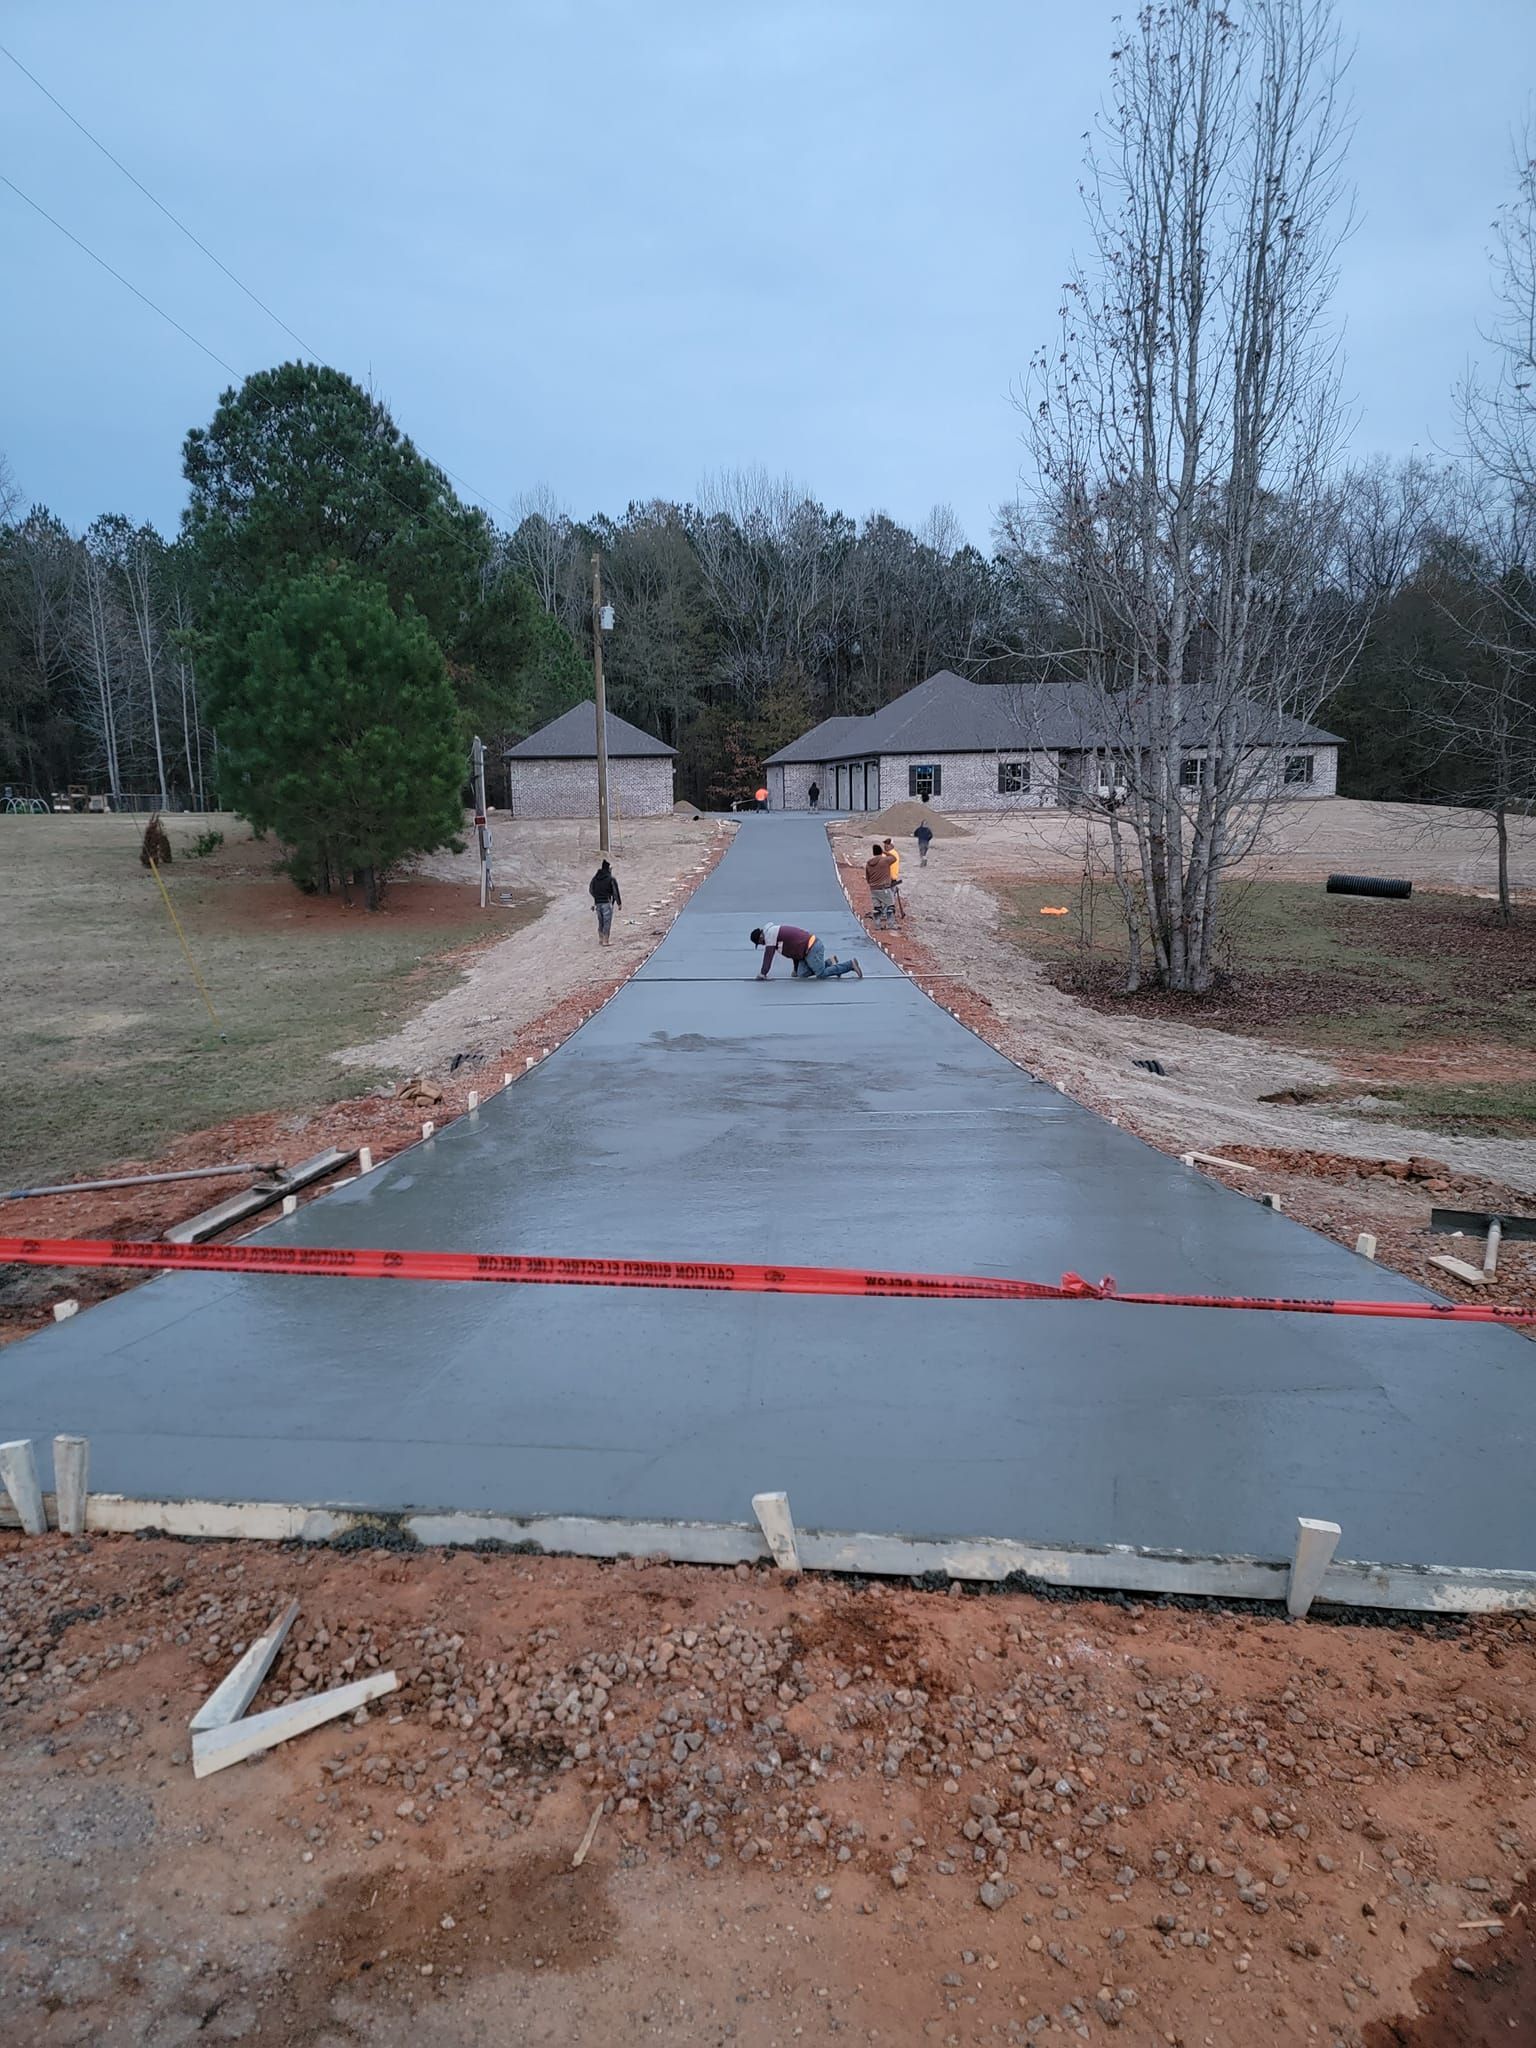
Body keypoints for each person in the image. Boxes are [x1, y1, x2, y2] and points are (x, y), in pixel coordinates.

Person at [750, 925, 862, 980]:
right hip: (805, 952)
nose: (763, 945)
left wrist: (763, 973)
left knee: (821, 974)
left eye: (760, 943)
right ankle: (829, 962)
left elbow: (768, 956)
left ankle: (850, 965)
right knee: (801, 975)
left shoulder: (770, 934)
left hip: (812, 947)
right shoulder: (775, 936)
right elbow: (793, 952)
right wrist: (795, 969)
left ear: (761, 937)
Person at [588, 858, 621, 947]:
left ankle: (600, 938)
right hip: (606, 902)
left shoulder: (595, 878)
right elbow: (615, 892)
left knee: (600, 921)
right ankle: (606, 940)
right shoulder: (610, 878)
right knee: (607, 921)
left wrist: (596, 897)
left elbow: (591, 889)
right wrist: (619, 903)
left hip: (597, 903)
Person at [864, 842, 896, 928]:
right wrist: (885, 852)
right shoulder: (885, 860)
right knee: (890, 906)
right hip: (884, 888)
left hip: (873, 889)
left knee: (877, 908)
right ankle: (890, 925)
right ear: (880, 851)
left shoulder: (868, 864)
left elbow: (867, 878)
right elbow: (894, 858)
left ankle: (877, 925)